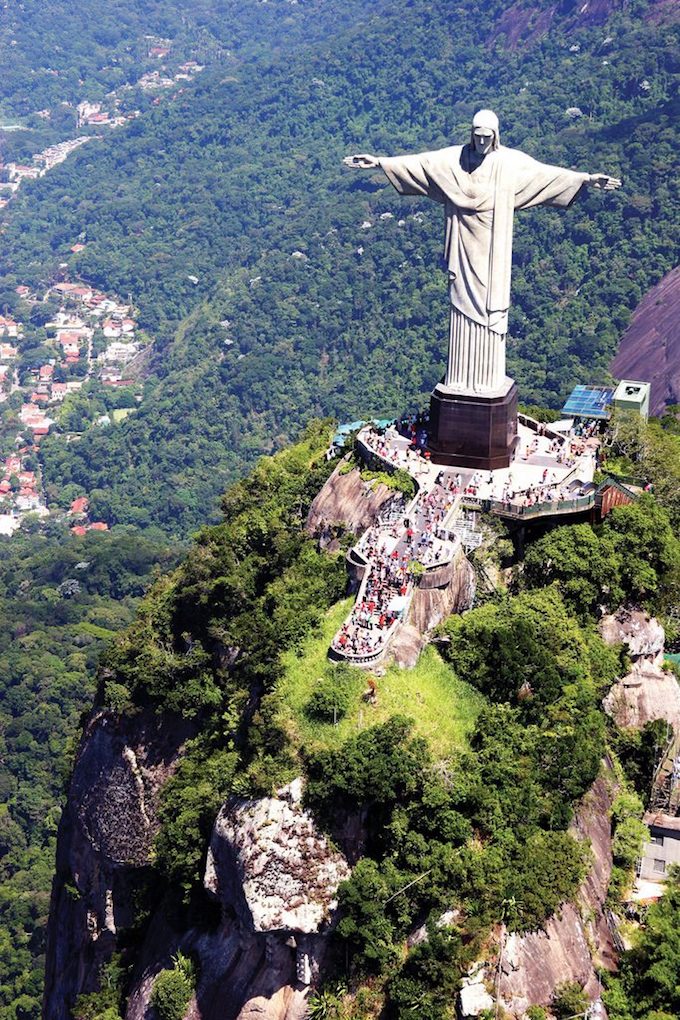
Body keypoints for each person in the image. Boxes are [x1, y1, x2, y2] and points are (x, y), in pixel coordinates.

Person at [344, 110, 621, 396]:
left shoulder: (510, 163)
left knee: (491, 310)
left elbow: (546, 174)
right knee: (461, 305)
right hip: (463, 245)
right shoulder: (454, 160)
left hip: (493, 249)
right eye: (477, 136)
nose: (481, 142)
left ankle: (486, 379)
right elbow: (421, 164)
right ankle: (459, 379)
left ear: (496, 136)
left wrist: (586, 179)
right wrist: (378, 163)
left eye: (487, 137)